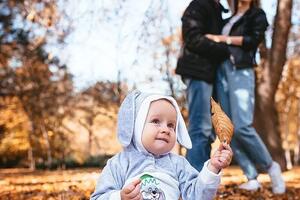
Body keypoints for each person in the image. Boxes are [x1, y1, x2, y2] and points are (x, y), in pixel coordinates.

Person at [205, 0, 286, 194]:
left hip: (240, 69)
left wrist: (219, 38)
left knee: (242, 125)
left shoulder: (256, 15)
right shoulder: (228, 18)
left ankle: (271, 168)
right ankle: (251, 176)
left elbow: (251, 40)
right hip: (221, 72)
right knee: (229, 128)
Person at [90, 90, 233, 200]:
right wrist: (120, 197)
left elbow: (197, 195)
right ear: (136, 126)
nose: (165, 129)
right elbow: (98, 197)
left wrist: (213, 168)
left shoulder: (178, 164)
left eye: (171, 125)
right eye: (156, 121)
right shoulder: (119, 164)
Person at [175, 0, 230, 172]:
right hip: (198, 72)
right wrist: (226, 48)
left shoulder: (217, 10)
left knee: (207, 133)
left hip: (210, 74)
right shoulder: (199, 5)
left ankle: (200, 180)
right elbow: (192, 38)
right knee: (200, 128)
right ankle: (193, 179)